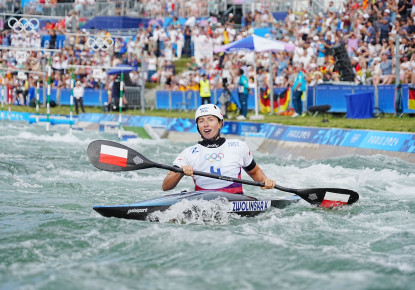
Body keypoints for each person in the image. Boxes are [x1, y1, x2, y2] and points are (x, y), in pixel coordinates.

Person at [162, 104, 276, 194]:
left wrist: (265, 181)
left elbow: (255, 172)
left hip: (235, 204)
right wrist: (180, 171)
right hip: (204, 206)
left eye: (210, 119)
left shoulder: (239, 146)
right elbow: (166, 186)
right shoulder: (188, 153)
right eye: (201, 121)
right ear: (198, 127)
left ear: (220, 123)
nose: (206, 124)